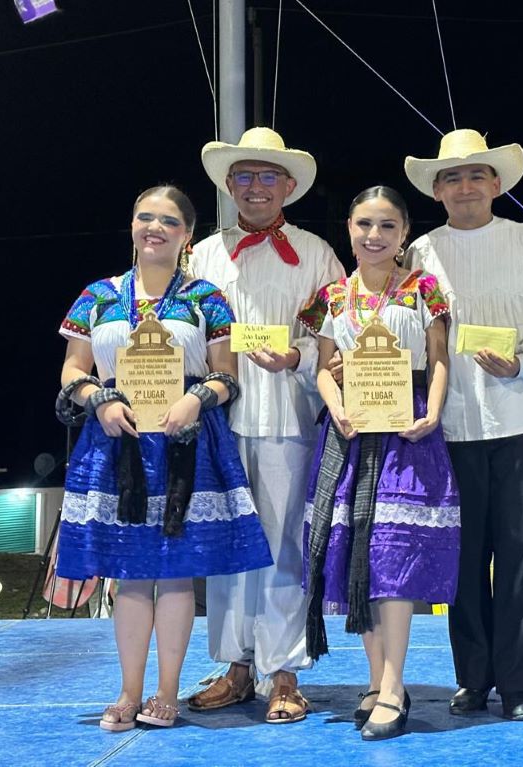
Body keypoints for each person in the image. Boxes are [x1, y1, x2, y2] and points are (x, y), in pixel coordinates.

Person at [55, 185, 273, 731]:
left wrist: (197, 397)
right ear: (131, 226)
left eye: (169, 221)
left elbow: (229, 375)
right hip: (115, 442)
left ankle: (167, 694)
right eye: (144, 217)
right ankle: (128, 693)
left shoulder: (206, 297)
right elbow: (72, 370)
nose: (155, 227)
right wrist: (97, 399)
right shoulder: (97, 296)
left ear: (186, 235)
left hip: (186, 445)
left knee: (176, 575)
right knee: (128, 575)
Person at [405, 129, 523, 721]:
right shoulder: (420, 253)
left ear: (497, 183)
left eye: (476, 175)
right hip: (448, 430)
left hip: (522, 424)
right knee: (463, 560)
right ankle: (472, 679)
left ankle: (518, 686)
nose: (465, 186)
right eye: (452, 177)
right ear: (437, 190)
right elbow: (406, 337)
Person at [187, 127, 345, 723]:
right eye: (246, 177)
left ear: (289, 187)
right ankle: (235, 665)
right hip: (219, 421)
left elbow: (334, 342)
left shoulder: (316, 254)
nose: (256, 188)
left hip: (288, 418)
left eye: (268, 177)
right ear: (229, 186)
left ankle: (284, 672)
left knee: (283, 544)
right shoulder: (201, 255)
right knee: (228, 545)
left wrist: (297, 358)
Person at [298, 186, 460, 740]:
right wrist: (336, 405)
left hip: (408, 433)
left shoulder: (425, 290)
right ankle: (375, 680)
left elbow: (439, 361)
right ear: (348, 227)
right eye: (364, 224)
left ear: (405, 232)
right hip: (350, 434)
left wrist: (433, 412)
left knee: (394, 559)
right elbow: (323, 368)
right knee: (360, 553)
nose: (374, 236)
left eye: (387, 226)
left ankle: (394, 685)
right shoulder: (330, 297)